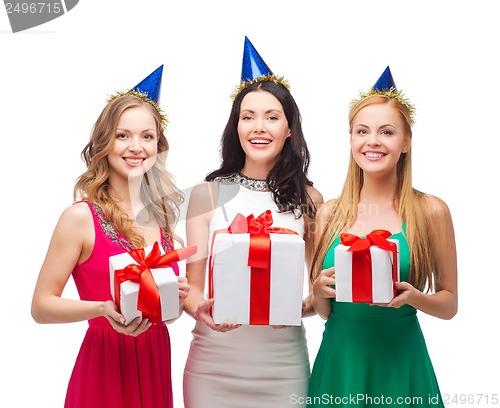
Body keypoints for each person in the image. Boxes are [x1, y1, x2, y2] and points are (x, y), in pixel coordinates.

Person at [31, 65, 190, 408]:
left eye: (147, 136)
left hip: (154, 360)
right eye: (123, 135)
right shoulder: (80, 218)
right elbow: (41, 306)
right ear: (105, 143)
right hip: (103, 365)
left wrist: (174, 300)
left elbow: (164, 315)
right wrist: (102, 310)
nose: (136, 147)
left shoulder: (160, 218)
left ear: (158, 145)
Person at [182, 37, 324, 408]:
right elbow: (193, 287)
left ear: (290, 128)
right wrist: (201, 309)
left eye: (272, 117)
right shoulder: (207, 194)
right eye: (248, 117)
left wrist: (300, 309)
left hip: (282, 364)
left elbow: (319, 292)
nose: (258, 127)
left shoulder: (310, 200)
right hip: (213, 364)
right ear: (237, 126)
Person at [307, 66, 458, 407]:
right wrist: (317, 292)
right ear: (350, 140)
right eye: (362, 131)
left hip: (401, 359)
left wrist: (412, 297)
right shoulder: (329, 213)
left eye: (386, 132)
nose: (372, 141)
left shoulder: (431, 211)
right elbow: (326, 313)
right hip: (341, 361)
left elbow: (449, 306)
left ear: (405, 143)